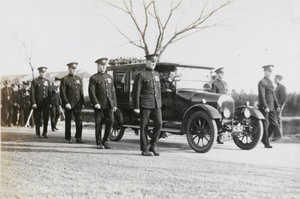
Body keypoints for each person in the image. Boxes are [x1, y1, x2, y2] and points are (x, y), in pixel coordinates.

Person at [132, 54, 162, 156]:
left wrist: (159, 103)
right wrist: (136, 107)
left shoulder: (157, 74)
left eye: (155, 62)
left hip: (156, 104)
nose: (154, 63)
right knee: (144, 126)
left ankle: (153, 145)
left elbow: (158, 90)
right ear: (147, 62)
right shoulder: (141, 74)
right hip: (145, 104)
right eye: (152, 61)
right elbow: (136, 92)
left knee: (159, 123)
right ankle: (144, 149)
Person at [88, 58, 117, 149]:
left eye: (105, 65)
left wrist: (114, 104)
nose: (103, 67)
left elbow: (113, 91)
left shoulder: (109, 77)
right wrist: (95, 103)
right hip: (99, 104)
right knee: (98, 123)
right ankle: (99, 142)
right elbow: (91, 92)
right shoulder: (94, 77)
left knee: (111, 120)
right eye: (101, 65)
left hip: (109, 104)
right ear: (98, 66)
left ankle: (105, 140)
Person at [60, 62, 85, 143]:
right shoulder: (65, 79)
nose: (73, 70)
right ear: (69, 69)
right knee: (68, 121)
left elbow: (81, 92)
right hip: (69, 104)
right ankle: (68, 137)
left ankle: (78, 137)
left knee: (79, 120)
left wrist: (83, 102)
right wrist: (66, 102)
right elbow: (62, 92)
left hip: (78, 104)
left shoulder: (78, 79)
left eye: (75, 69)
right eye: (72, 68)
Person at [258, 65, 282, 148]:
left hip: (271, 106)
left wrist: (277, 105)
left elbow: (273, 94)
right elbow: (262, 95)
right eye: (269, 71)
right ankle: (266, 143)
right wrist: (265, 106)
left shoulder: (271, 82)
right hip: (265, 107)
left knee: (274, 123)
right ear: (265, 71)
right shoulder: (262, 82)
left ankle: (264, 138)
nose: (270, 73)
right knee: (265, 124)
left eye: (271, 71)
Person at [31, 67, 52, 138]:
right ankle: (37, 133)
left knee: (46, 118)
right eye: (42, 72)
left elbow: (49, 93)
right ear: (39, 73)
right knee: (38, 118)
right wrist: (33, 102)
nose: (43, 74)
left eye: (44, 72)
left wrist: (50, 103)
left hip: (46, 103)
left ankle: (45, 132)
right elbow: (32, 93)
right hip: (38, 103)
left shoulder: (48, 81)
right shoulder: (35, 81)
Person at [211, 67, 228, 144]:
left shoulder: (225, 83)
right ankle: (218, 137)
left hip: (225, 105)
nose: (222, 75)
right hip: (218, 105)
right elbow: (213, 95)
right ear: (217, 74)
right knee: (219, 121)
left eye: (222, 73)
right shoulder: (214, 83)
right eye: (220, 73)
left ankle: (221, 136)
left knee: (225, 121)